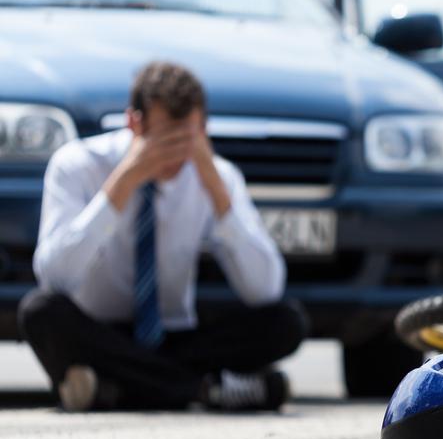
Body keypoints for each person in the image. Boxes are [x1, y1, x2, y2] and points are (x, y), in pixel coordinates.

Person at [18, 61, 307, 412]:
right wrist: (123, 183)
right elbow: (54, 276)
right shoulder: (76, 164)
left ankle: (115, 390)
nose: (176, 155)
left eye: (187, 138)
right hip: (101, 334)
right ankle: (205, 389)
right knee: (40, 312)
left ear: (203, 129)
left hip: (176, 337)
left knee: (286, 321)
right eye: (165, 138)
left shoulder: (219, 176)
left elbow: (265, 289)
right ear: (133, 124)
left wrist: (215, 189)